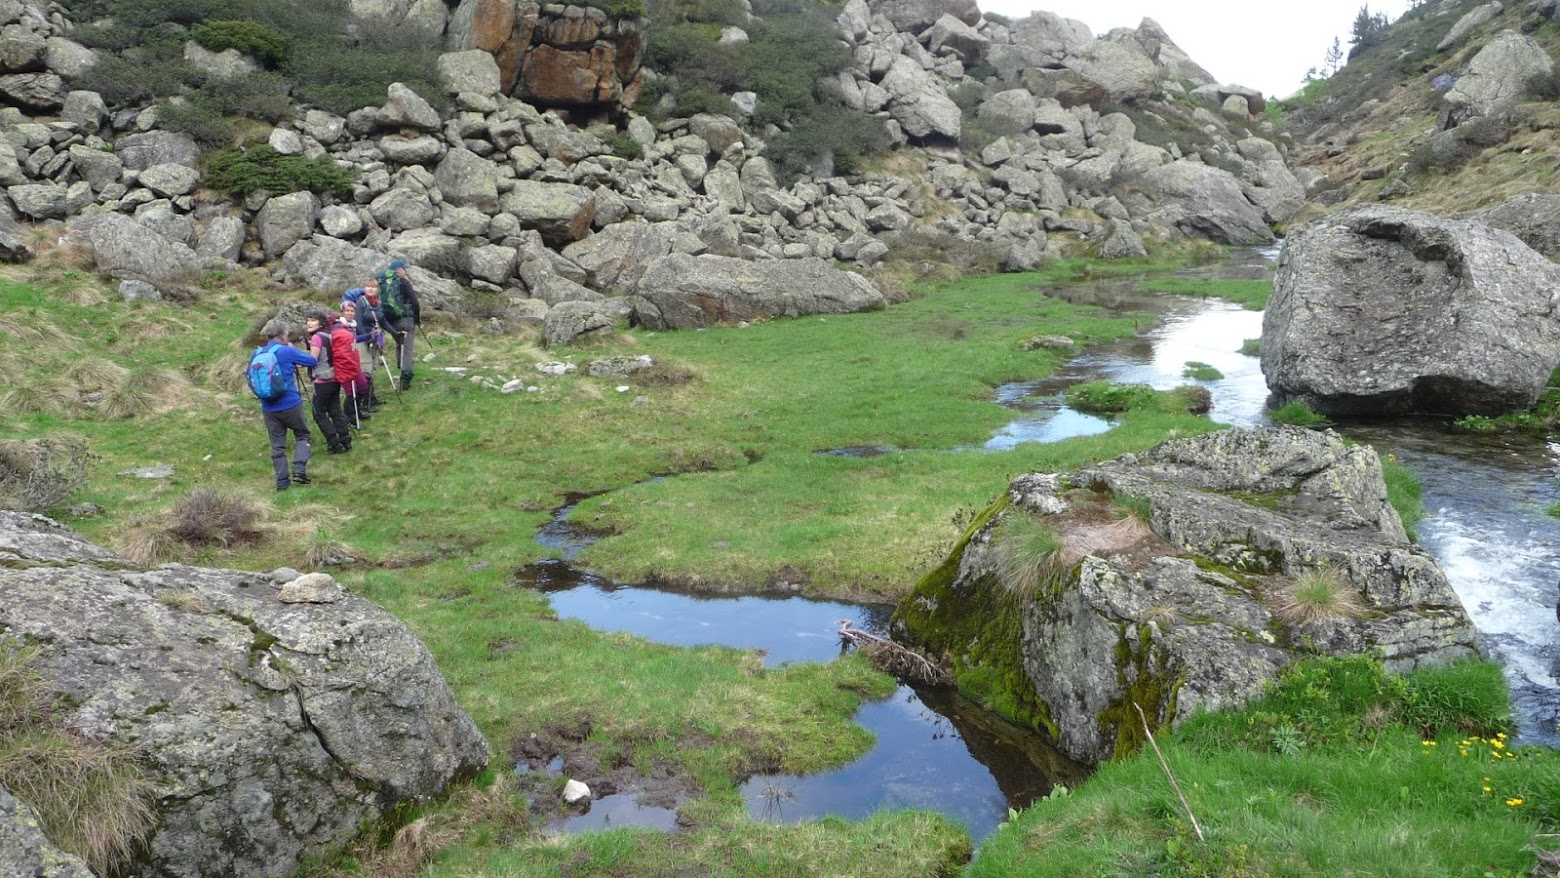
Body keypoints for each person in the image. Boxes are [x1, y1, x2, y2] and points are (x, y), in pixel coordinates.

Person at [254, 320, 316, 491]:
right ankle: (299, 470)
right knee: (303, 435)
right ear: (282, 336)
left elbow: (250, 376)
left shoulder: (257, 353)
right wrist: (291, 348)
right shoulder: (287, 351)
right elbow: (311, 360)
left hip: (268, 407)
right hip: (290, 404)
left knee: (277, 446)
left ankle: (282, 482)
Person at [303, 311, 351, 454]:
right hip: (334, 377)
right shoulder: (329, 335)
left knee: (318, 413)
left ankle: (334, 443)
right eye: (308, 320)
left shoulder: (317, 337)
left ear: (321, 323)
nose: (309, 323)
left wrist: (295, 356)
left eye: (313, 320)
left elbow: (312, 360)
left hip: (322, 380)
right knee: (335, 409)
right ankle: (345, 440)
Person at [378, 259, 422, 390]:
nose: (406, 272)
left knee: (399, 344)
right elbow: (414, 301)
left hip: (390, 321)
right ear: (398, 270)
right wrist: (417, 318)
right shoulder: (404, 282)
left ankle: (401, 367)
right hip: (405, 320)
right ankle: (406, 377)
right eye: (404, 269)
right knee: (407, 348)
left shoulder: (384, 283)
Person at [329, 308, 368, 427]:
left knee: (363, 386)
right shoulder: (334, 333)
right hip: (344, 366)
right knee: (351, 393)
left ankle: (357, 411)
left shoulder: (347, 328)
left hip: (354, 363)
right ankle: (351, 417)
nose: (350, 313)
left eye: (352, 310)